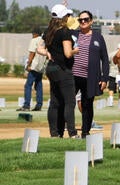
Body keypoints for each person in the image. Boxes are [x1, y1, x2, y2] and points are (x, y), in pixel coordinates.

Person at [38, 4, 78, 138]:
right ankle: (72, 133)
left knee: (54, 102)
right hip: (63, 69)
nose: (68, 17)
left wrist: (47, 54)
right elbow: (68, 54)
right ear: (63, 17)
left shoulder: (49, 30)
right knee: (69, 102)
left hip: (51, 68)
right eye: (67, 15)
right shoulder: (64, 31)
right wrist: (76, 50)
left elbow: (39, 48)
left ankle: (54, 133)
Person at [72, 10, 109, 138]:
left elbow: (105, 59)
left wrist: (104, 78)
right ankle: (68, 131)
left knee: (87, 105)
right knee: (68, 103)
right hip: (73, 75)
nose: (83, 22)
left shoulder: (98, 37)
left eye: (86, 19)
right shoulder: (74, 34)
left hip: (90, 77)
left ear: (91, 21)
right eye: (80, 20)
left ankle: (85, 131)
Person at [17, 28, 47, 112]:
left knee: (28, 85)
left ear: (35, 34)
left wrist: (28, 64)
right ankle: (39, 105)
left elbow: (32, 53)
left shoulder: (34, 40)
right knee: (38, 85)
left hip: (34, 66)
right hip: (41, 66)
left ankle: (26, 105)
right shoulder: (44, 41)